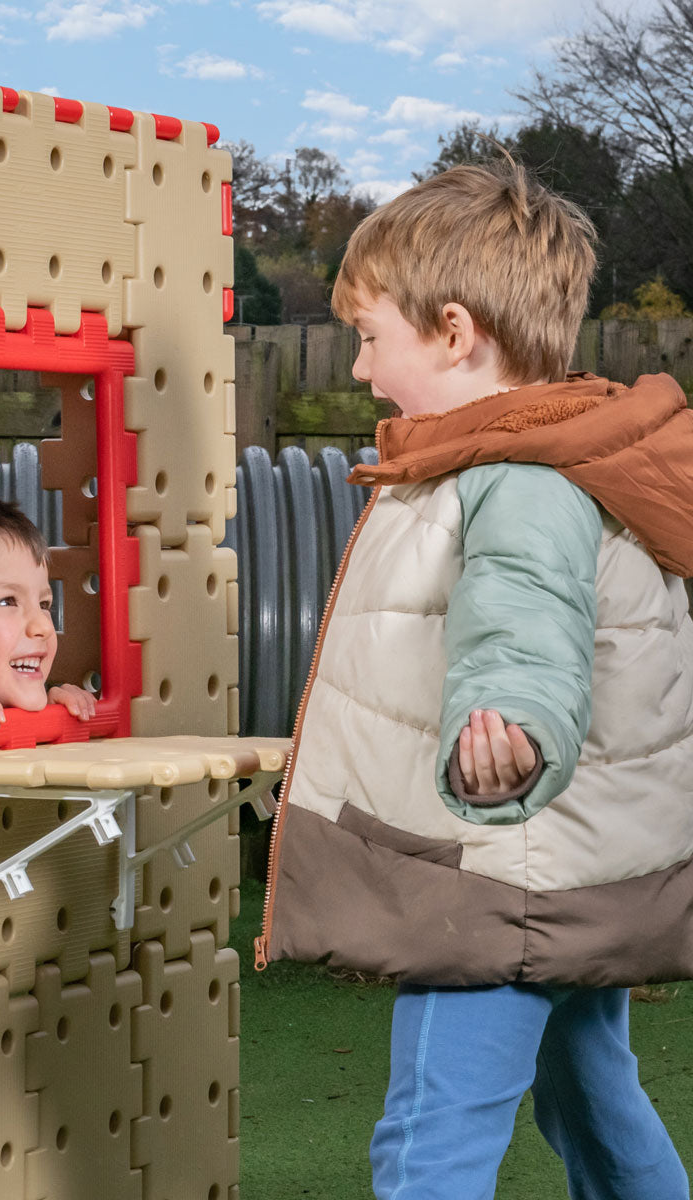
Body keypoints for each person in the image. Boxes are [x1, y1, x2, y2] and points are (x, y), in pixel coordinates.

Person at [256, 156, 693, 1199]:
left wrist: (515, 723)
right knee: (589, 1097)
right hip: (575, 869)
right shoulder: (563, 455)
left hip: (505, 872)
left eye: (369, 337)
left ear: (455, 333)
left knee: (432, 1138)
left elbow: (523, 618)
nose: (360, 372)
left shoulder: (518, 478)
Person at [0, 492, 96, 729]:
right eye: (7, 602)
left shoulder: (61, 705)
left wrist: (60, 726)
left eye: (44, 605)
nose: (44, 627)